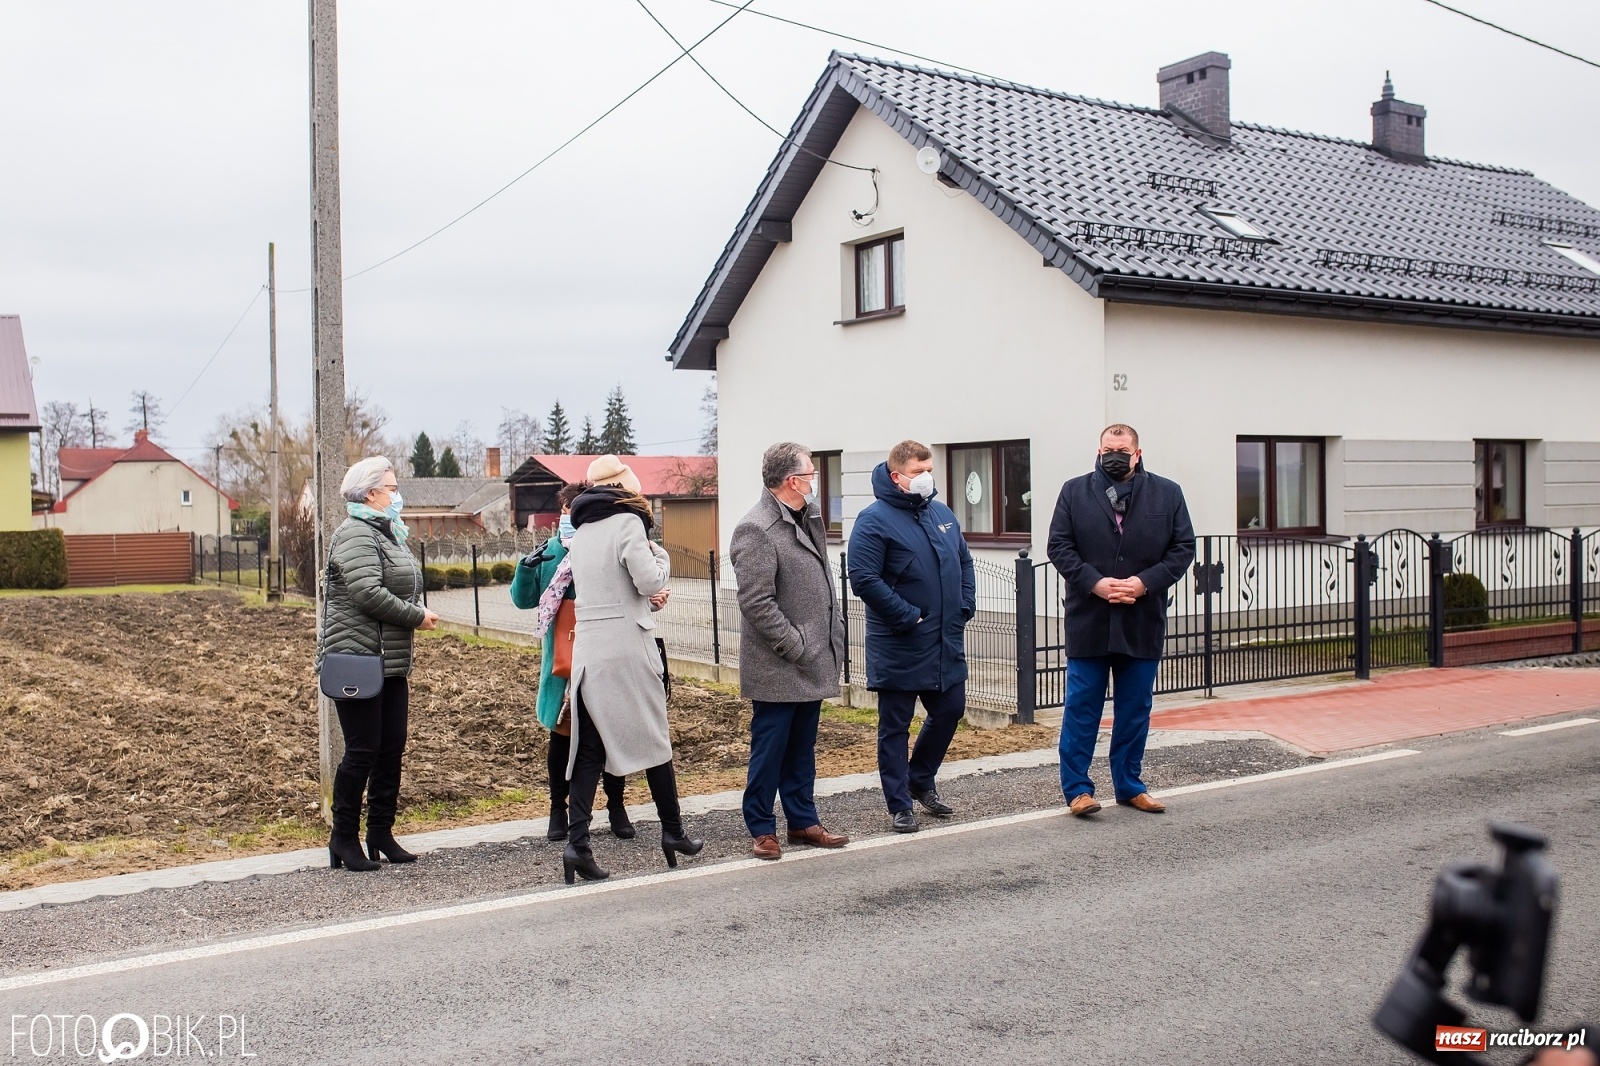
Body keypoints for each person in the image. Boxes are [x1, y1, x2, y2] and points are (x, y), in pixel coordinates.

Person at [560, 455, 703, 883]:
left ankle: (576, 845)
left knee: (587, 750)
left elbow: (605, 586)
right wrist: (661, 559)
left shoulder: (581, 531)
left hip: (590, 651)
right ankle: (673, 832)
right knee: (655, 736)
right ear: (627, 488)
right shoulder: (628, 523)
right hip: (628, 646)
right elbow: (650, 582)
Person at [1047, 424, 1195, 817]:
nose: (1114, 455)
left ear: (1138, 452)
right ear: (1098, 450)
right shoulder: (1073, 491)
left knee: (1134, 710)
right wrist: (1094, 583)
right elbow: (1059, 546)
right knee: (1081, 709)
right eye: (1108, 449)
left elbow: (1183, 549)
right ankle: (1077, 790)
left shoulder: (1168, 493)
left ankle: (1130, 785)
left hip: (1141, 619)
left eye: (1122, 450)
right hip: (1089, 619)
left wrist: (1144, 583)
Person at [316, 456, 441, 872]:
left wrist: (415, 609)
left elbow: (401, 586)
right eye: (390, 487)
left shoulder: (388, 535)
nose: (396, 494)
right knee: (362, 751)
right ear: (370, 493)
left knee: (390, 750)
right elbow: (368, 592)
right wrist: (416, 616)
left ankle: (381, 832)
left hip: (389, 662)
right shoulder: (355, 534)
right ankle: (343, 838)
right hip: (358, 660)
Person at [729, 442, 850, 861]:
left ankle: (802, 820)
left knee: (801, 747)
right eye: (811, 473)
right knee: (770, 748)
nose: (815, 480)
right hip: (780, 663)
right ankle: (761, 827)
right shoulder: (756, 528)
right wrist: (795, 644)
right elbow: (756, 601)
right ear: (791, 481)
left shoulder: (807, 517)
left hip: (813, 656)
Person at [847, 440, 975, 834]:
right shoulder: (874, 520)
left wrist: (964, 604)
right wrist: (907, 616)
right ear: (896, 475)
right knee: (895, 726)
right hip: (901, 642)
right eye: (918, 472)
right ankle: (900, 804)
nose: (926, 478)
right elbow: (864, 578)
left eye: (929, 470)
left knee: (950, 709)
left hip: (944, 641)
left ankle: (921, 779)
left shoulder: (941, 514)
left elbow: (964, 560)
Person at [508, 480, 632, 843]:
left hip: (604, 658)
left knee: (609, 737)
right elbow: (524, 600)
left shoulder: (608, 550)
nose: (569, 518)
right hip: (563, 665)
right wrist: (525, 570)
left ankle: (616, 806)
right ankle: (556, 810)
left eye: (575, 512)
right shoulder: (550, 553)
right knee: (562, 739)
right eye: (565, 511)